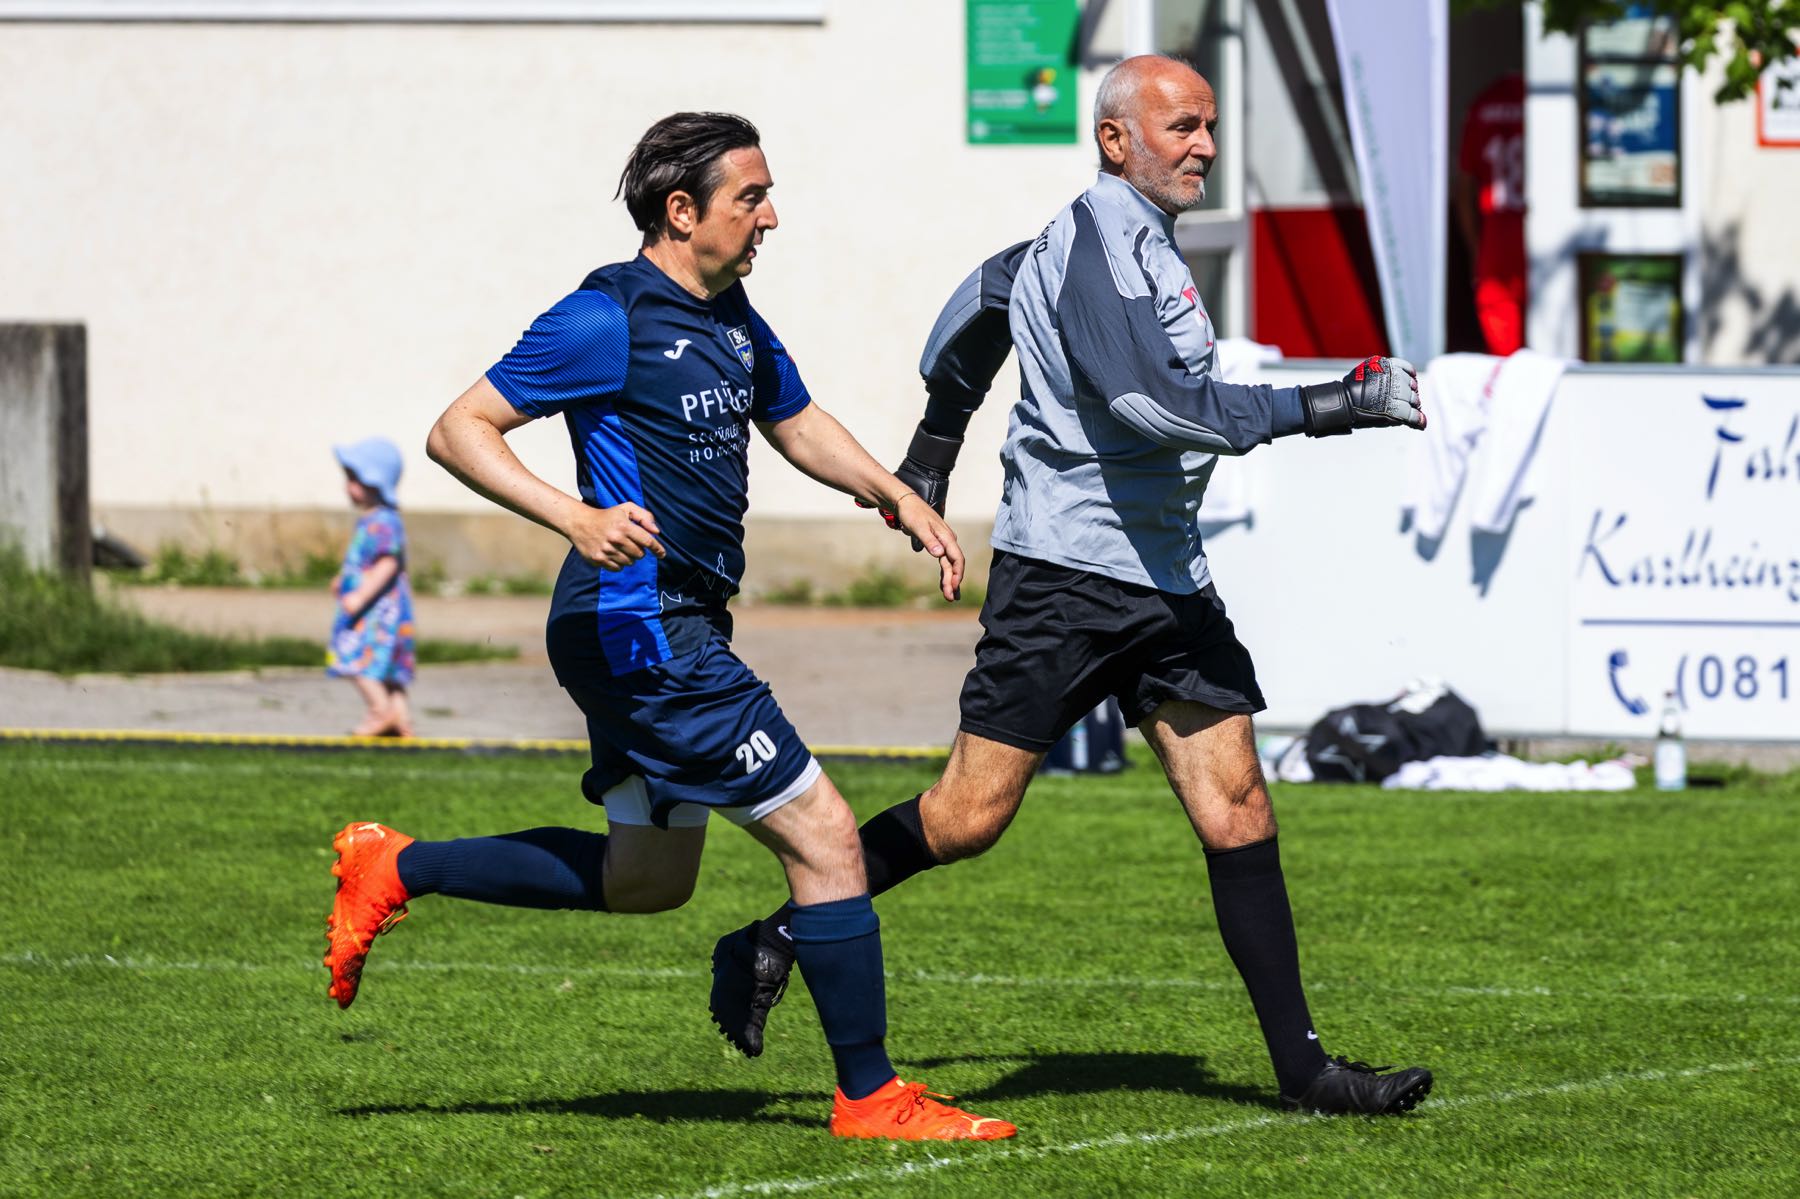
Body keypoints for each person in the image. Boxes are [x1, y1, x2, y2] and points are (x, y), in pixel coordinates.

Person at [709, 56, 1435, 1117]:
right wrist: (1332, 404)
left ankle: (1307, 1072)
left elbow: (972, 310)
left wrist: (931, 452)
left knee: (1237, 806)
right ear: (1115, 139)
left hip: (1166, 579)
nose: (1205, 146)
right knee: (966, 817)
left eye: (1210, 125)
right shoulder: (1094, 243)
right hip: (1065, 581)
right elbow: (1155, 406)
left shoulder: (1131, 240)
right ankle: (772, 932)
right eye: (1183, 126)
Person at [320, 112, 1015, 1142]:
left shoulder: (732, 314)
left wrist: (897, 494)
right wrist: (574, 515)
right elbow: (458, 430)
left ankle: (396, 865)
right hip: (641, 627)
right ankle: (872, 1096)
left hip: (665, 623)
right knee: (827, 836)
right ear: (681, 211)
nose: (771, 217)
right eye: (751, 197)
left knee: (646, 880)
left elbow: (796, 419)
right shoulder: (607, 315)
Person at [328, 437, 416, 738]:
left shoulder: (383, 521)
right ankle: (400, 718)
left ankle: (380, 711)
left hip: (375, 610)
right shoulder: (374, 520)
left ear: (375, 481)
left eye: (355, 479)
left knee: (358, 659)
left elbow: (387, 563)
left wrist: (360, 595)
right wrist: (343, 580)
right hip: (379, 608)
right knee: (386, 667)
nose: (348, 486)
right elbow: (365, 561)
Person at [1453, 71, 1527, 356]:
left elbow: (1464, 189)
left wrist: (1475, 249)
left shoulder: (1483, 104)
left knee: (1503, 358)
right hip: (1541, 238)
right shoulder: (1547, 99)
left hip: (1495, 244)